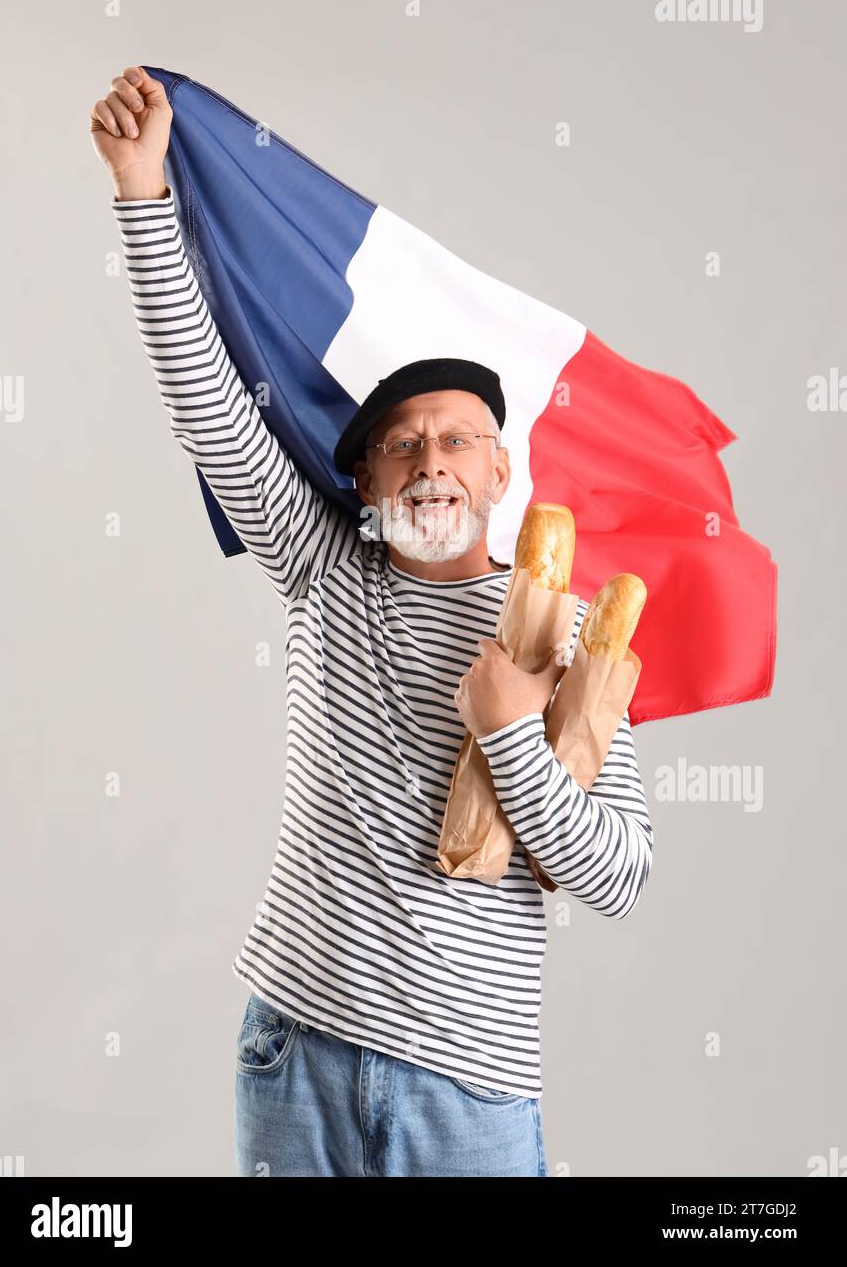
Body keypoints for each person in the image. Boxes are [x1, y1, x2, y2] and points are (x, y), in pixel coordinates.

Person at [90, 66, 653, 1178]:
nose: (430, 458)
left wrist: (504, 734)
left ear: (501, 471)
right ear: (366, 482)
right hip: (293, 1042)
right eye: (401, 442)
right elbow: (205, 397)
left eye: (455, 439)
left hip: (472, 1088)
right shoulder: (323, 569)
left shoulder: (576, 638)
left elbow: (618, 873)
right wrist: (144, 193)